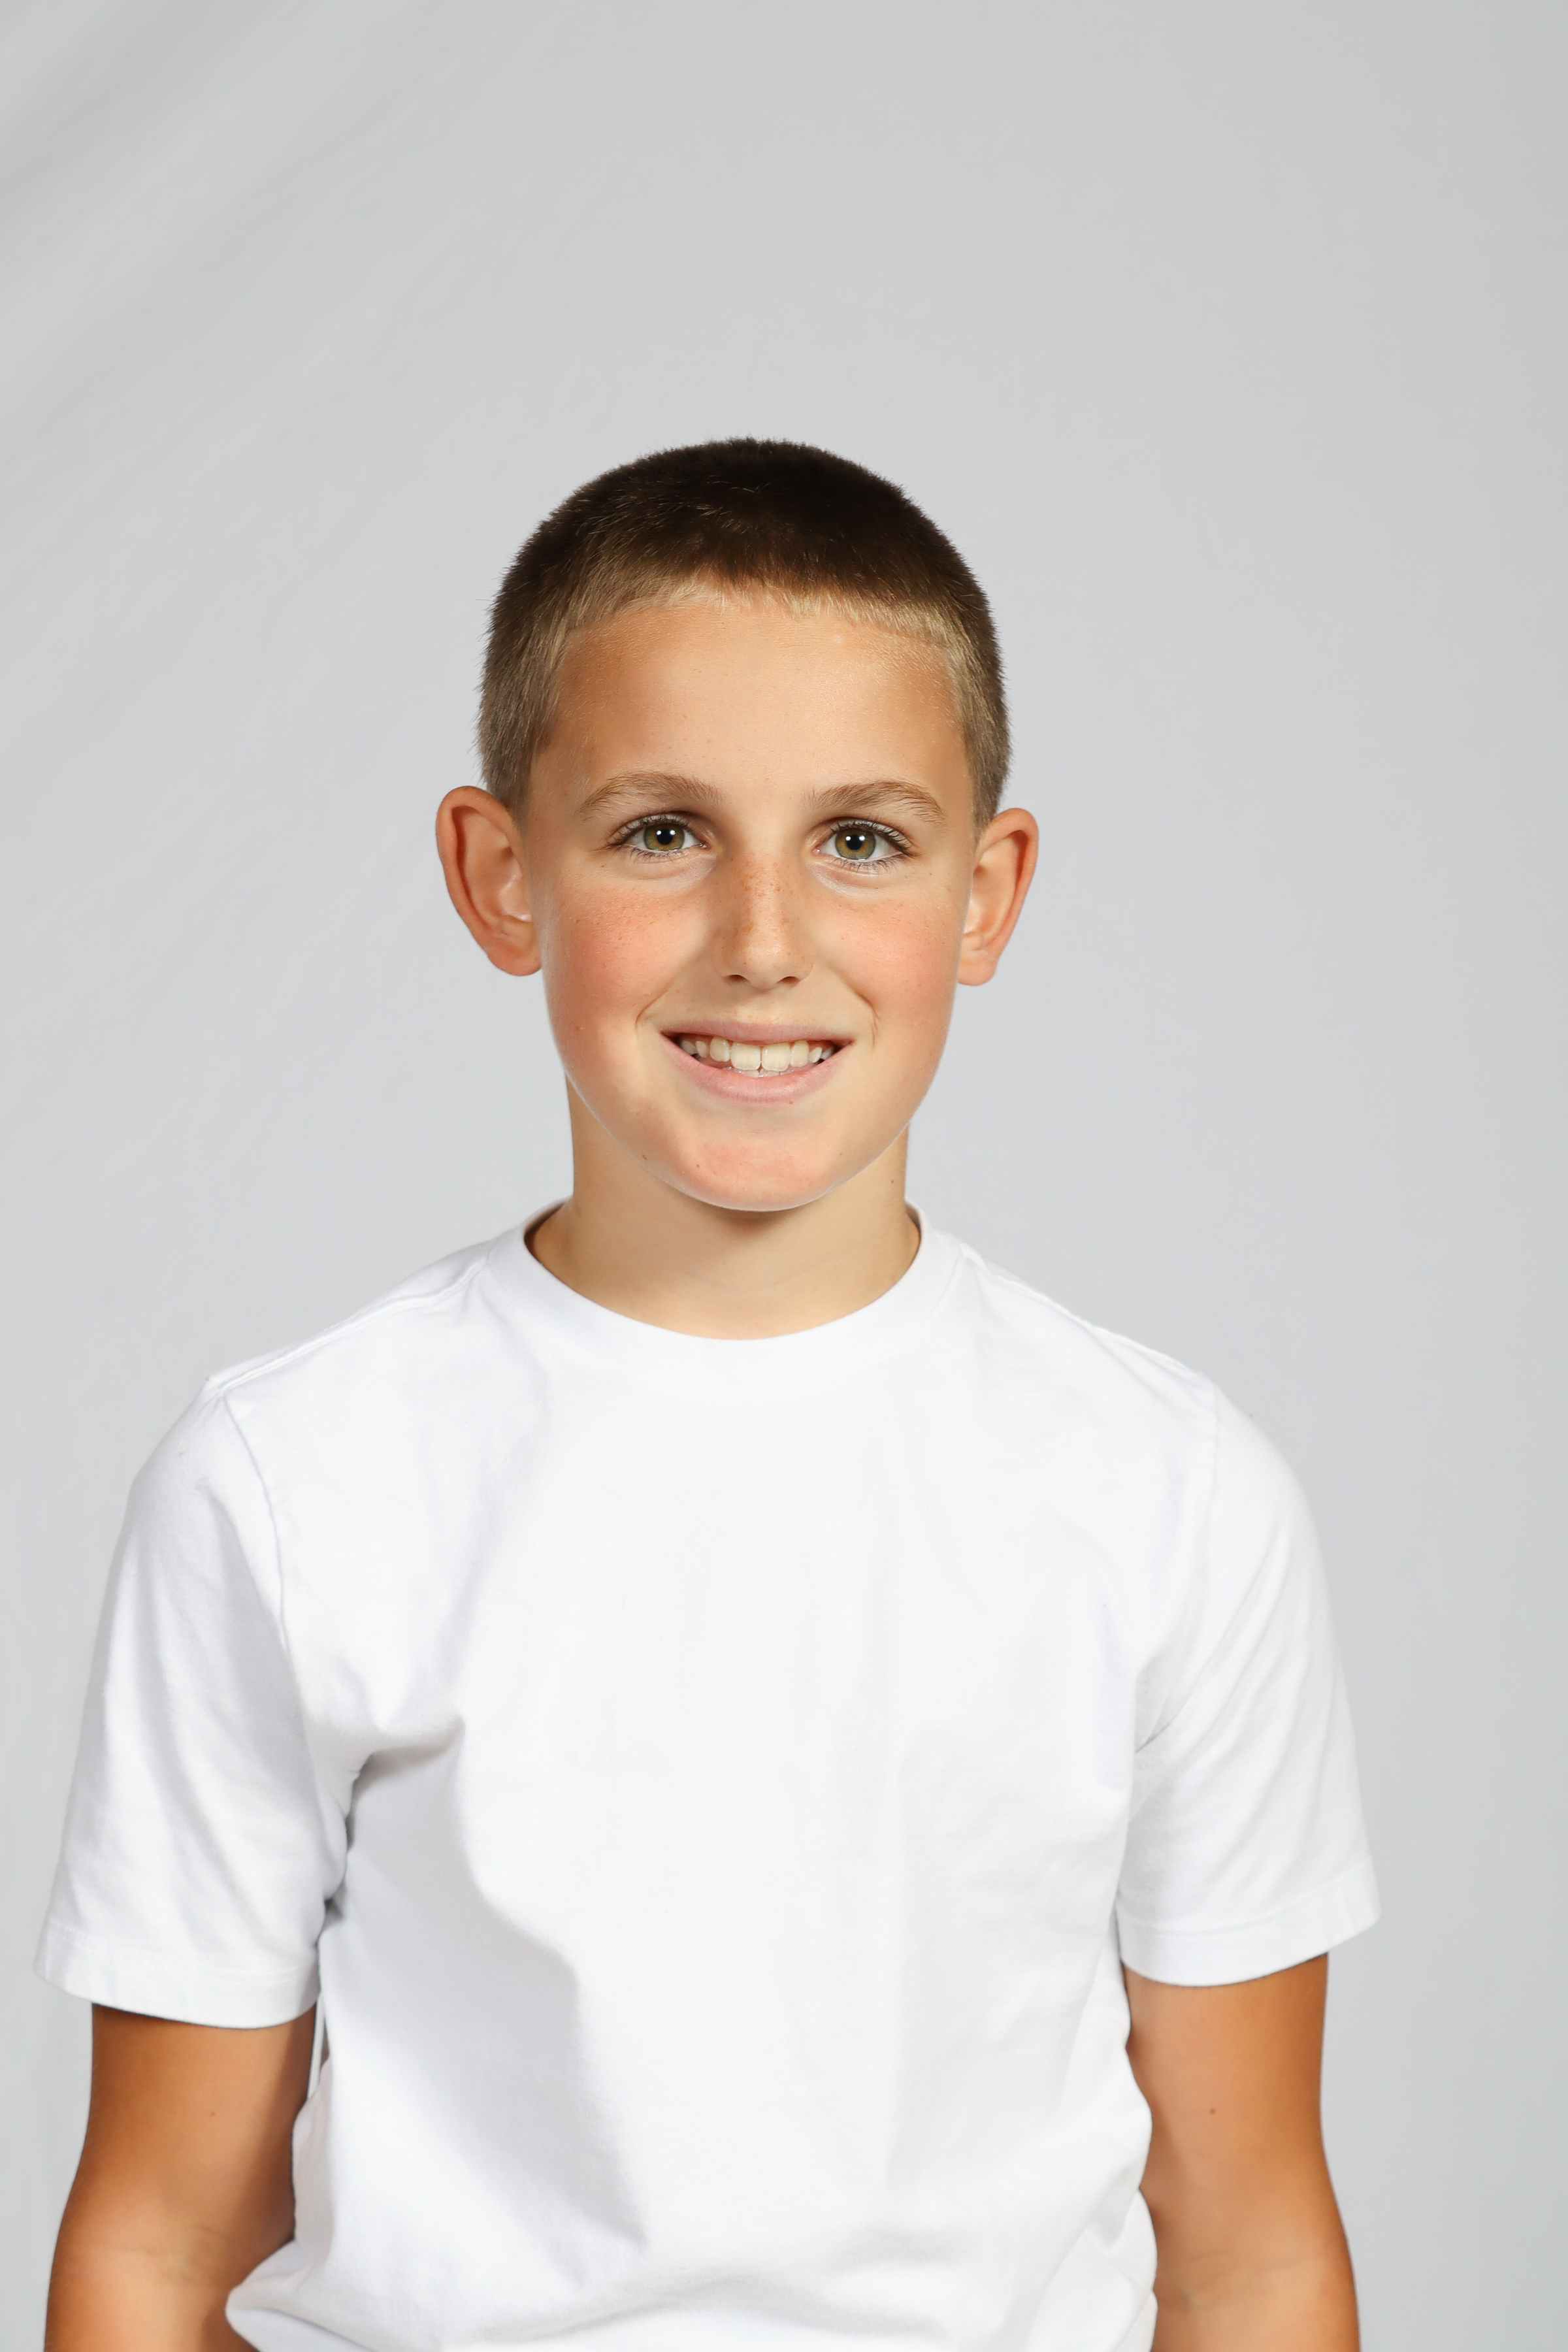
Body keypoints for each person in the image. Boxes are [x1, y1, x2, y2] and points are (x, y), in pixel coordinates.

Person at [39, 440, 1377, 2352]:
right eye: (663, 831)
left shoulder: (1172, 1496)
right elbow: (161, 2247)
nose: (764, 939)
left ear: (987, 892)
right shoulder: (288, 1482)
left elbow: (1248, 2252)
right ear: (500, 874)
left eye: (862, 840)